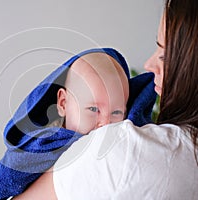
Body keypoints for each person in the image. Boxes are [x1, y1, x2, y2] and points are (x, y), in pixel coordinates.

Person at [12, 0, 198, 199]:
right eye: (93, 109)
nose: (149, 65)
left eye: (165, 56)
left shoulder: (121, 147)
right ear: (63, 103)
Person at [0, 48, 156, 200]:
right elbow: (3, 180)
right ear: (63, 104)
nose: (105, 123)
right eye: (93, 110)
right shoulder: (42, 145)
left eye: (116, 112)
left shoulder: (124, 138)